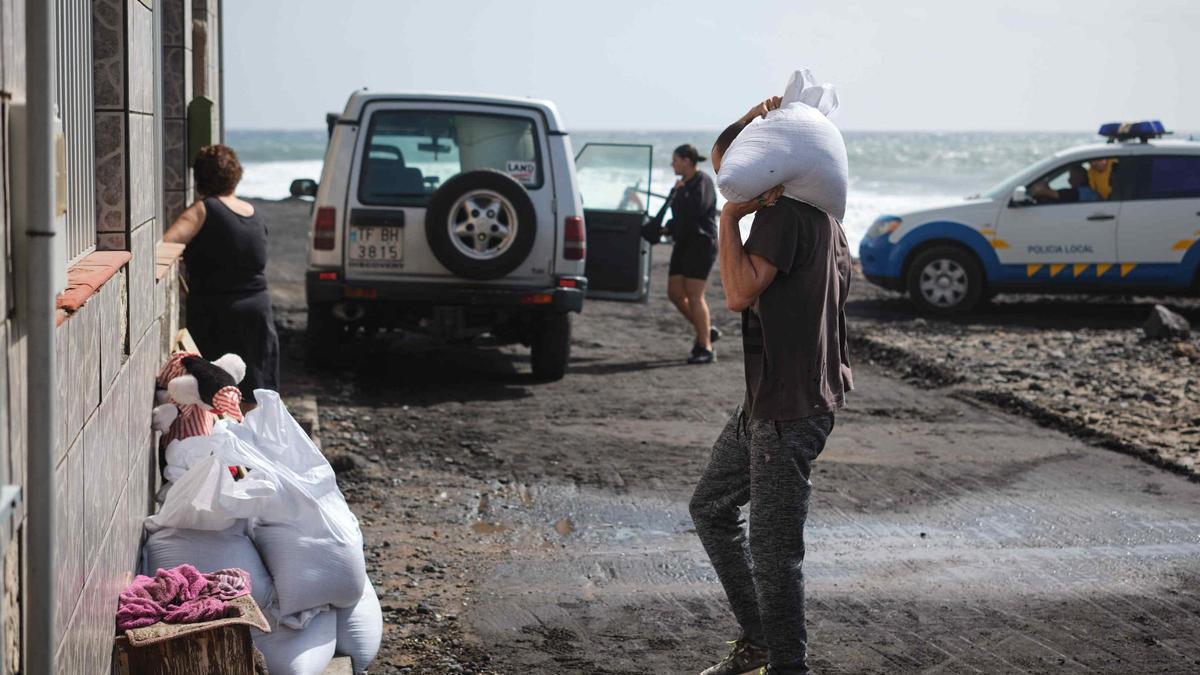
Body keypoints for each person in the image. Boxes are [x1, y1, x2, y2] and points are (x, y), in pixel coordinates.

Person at [690, 96, 853, 675]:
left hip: (787, 409)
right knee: (710, 507)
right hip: (774, 402)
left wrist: (730, 218)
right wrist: (755, 116)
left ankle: (788, 666)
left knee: (774, 554)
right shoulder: (831, 221)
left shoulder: (784, 218)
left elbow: (736, 293)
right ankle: (760, 642)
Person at [164, 144, 279, 412]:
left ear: (199, 178)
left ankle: (224, 452)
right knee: (255, 396)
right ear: (235, 175)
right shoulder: (253, 213)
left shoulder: (203, 210)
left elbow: (167, 245)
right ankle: (253, 450)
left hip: (219, 314)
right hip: (258, 312)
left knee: (218, 398)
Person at [666, 144, 721, 364]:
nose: (673, 164)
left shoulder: (703, 181)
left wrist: (681, 193)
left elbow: (697, 209)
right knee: (675, 293)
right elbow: (681, 218)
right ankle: (706, 329)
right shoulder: (682, 184)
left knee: (694, 294)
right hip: (683, 243)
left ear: (687, 161)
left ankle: (705, 347)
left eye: (675, 160)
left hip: (701, 243)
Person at [1030, 164, 1100, 203]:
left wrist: (1040, 189)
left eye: (1072, 176)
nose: (1069, 180)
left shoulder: (1084, 192)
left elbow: (1061, 195)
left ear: (1081, 176)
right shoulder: (1084, 191)